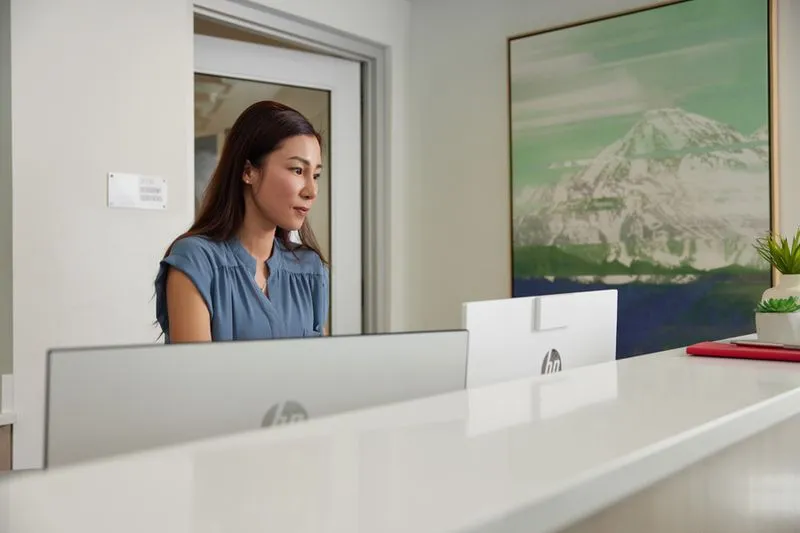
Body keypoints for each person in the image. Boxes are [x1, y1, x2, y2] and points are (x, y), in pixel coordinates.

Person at [155, 101, 329, 343]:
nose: (312, 191)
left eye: (316, 175)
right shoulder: (196, 260)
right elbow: (193, 368)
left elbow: (322, 364)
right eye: (298, 170)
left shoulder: (310, 269)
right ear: (248, 171)